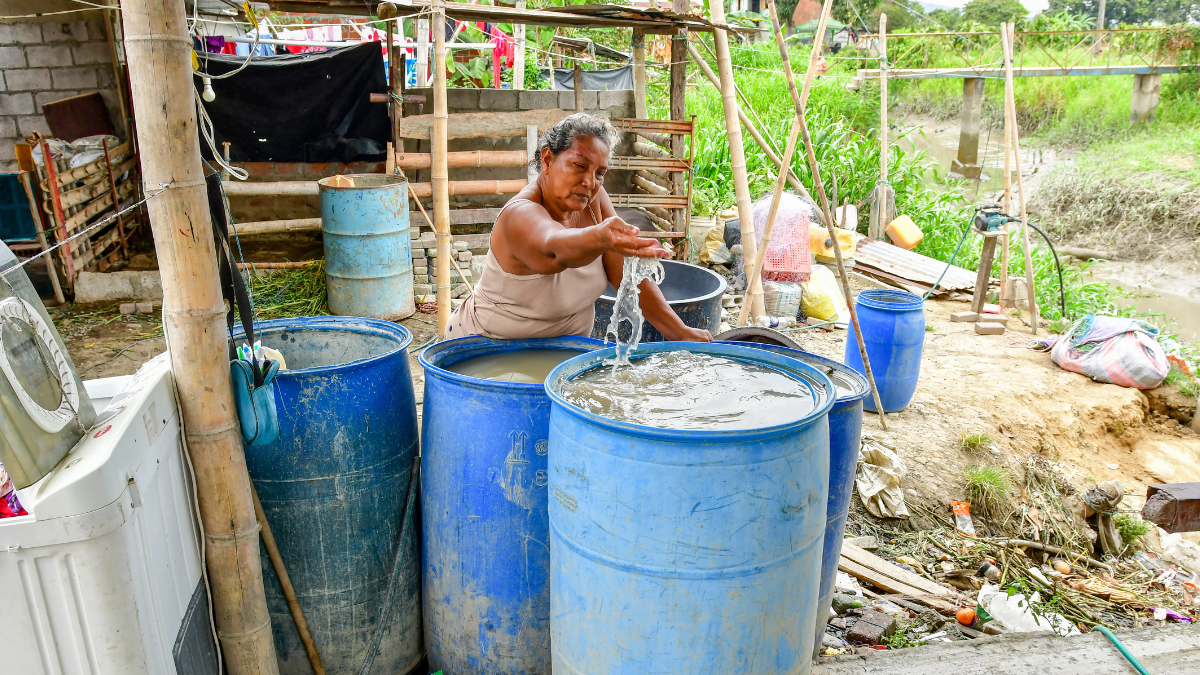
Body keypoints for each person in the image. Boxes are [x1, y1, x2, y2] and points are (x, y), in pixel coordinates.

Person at [446, 113, 712, 342]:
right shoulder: (519, 215)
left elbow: (627, 279)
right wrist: (601, 237)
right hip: (486, 354)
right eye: (579, 166)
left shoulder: (594, 202)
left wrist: (679, 331)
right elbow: (555, 249)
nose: (589, 182)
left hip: (564, 356)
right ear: (548, 160)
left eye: (599, 173)